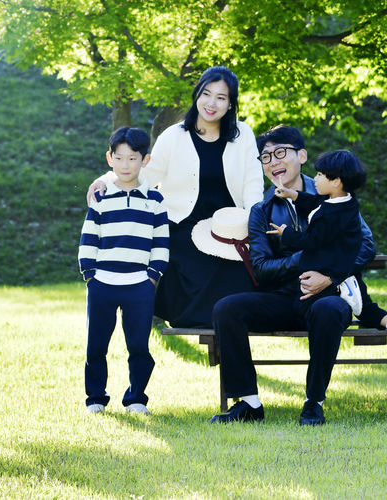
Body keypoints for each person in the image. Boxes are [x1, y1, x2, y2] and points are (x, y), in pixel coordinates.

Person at [209, 126, 387, 427]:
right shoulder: (261, 211)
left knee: (331, 309)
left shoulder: (332, 199)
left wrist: (329, 276)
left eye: (281, 152)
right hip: (282, 299)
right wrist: (307, 259)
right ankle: (248, 403)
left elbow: (365, 244)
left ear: (301, 156)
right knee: (226, 308)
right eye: (265, 156)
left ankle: (313, 403)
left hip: (327, 298)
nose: (273, 161)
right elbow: (263, 268)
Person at [87, 66, 263, 328]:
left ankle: (231, 325)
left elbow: (252, 183)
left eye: (221, 97)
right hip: (183, 226)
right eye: (206, 94)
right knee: (196, 262)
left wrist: (253, 221)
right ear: (196, 95)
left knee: (238, 270)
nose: (211, 103)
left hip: (228, 229)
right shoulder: (174, 135)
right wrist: (105, 179)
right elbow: (144, 172)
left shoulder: (243, 134)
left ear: (230, 104)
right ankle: (204, 323)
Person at [79, 127, 169, 415]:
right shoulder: (101, 199)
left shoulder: (154, 200)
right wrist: (90, 274)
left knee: (139, 346)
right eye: (119, 158)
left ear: (145, 160)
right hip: (102, 283)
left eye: (133, 159)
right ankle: (95, 398)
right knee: (96, 345)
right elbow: (88, 238)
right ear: (109, 158)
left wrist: (152, 276)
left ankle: (136, 398)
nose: (126, 165)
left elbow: (161, 242)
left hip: (139, 285)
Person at [266, 149, 366, 318]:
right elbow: (314, 202)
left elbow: (311, 241)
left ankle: (341, 288)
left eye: (320, 175)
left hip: (327, 268)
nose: (316, 179)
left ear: (336, 182)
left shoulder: (333, 216)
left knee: (302, 307)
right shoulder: (340, 201)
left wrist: (287, 233)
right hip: (330, 265)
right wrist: (292, 194)